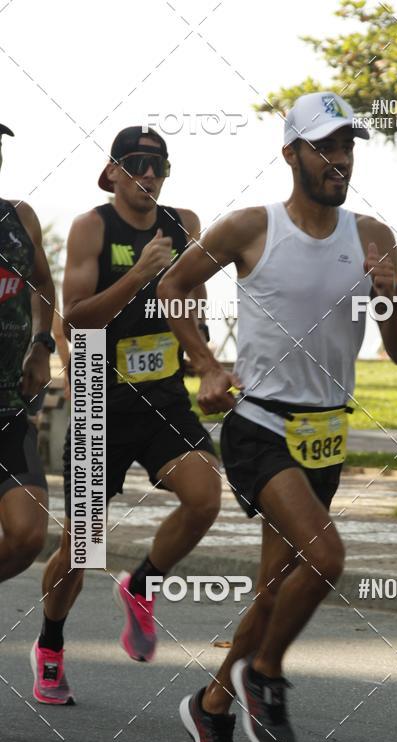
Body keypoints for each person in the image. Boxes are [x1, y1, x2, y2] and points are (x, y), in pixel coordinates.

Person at [158, 92, 397, 742]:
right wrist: (206, 364)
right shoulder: (251, 227)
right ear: (291, 154)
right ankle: (264, 674)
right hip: (260, 424)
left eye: (347, 146)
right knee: (325, 557)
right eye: (325, 146)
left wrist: (389, 297)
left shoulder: (374, 236)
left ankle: (212, 705)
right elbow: (173, 286)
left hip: (325, 434)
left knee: (275, 588)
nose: (340, 159)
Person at [34, 126, 229, 705]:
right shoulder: (92, 226)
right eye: (137, 164)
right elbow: (77, 318)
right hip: (101, 395)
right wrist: (140, 274)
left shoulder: (184, 224)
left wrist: (204, 361)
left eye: (158, 166)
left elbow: (189, 301)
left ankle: (141, 585)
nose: (148, 175)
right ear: (113, 172)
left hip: (163, 393)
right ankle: (50, 646)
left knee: (205, 496)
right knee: (83, 547)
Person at [0, 122, 57, 586]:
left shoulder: (20, 217)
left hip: (9, 406)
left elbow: (41, 282)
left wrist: (42, 344)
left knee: (27, 537)